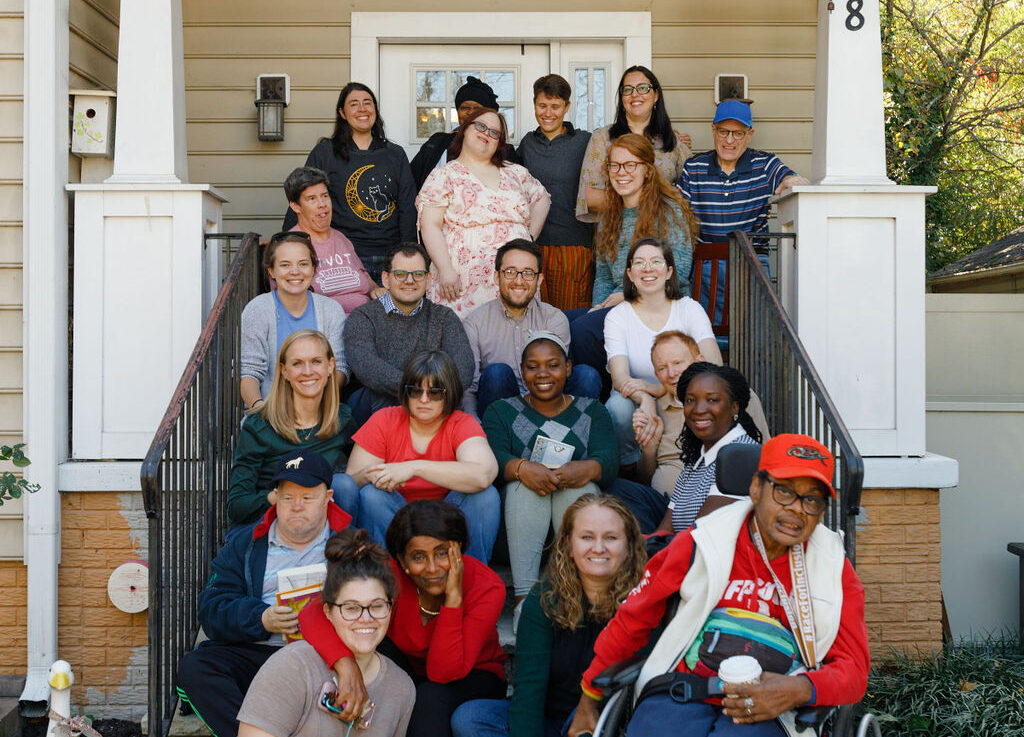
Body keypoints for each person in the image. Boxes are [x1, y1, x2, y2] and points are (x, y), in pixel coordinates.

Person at [569, 435, 870, 737]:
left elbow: (854, 669)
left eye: (812, 499)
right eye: (784, 491)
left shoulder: (832, 567)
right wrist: (588, 700)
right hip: (682, 692)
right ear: (756, 488)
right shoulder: (702, 540)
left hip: (772, 707)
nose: (797, 509)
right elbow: (632, 619)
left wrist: (800, 689)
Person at [177, 450, 352, 737]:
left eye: (307, 497)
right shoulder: (246, 543)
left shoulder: (351, 543)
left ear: (328, 497)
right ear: (275, 497)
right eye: (288, 497)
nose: (297, 506)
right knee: (196, 668)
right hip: (261, 653)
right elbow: (211, 608)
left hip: (326, 657)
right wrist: (261, 618)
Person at [298, 500, 508, 737]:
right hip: (406, 667)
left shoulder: (486, 586)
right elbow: (312, 612)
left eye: (442, 553)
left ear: (458, 548)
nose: (432, 568)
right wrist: (346, 666)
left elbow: (442, 673)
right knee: (367, 652)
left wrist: (454, 600)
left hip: (472, 675)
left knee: (431, 695)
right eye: (418, 557)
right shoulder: (390, 572)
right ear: (402, 559)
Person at [450, 494, 647, 737]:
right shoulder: (544, 599)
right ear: (569, 545)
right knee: (470, 718)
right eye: (587, 537)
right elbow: (529, 691)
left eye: (611, 538)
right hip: (551, 721)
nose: (598, 548)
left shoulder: (644, 600)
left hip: (611, 723)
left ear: (629, 547)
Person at [237, 528, 415, 737]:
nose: (366, 618)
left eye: (376, 606)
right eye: (351, 608)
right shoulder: (292, 667)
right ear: (328, 612)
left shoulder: (401, 688)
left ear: (390, 607)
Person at [481, 333, 619, 604]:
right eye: (533, 367)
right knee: (522, 487)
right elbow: (491, 458)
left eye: (553, 365)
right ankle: (524, 601)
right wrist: (521, 468)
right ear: (522, 371)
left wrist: (585, 469)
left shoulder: (592, 411)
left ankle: (580, 596)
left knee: (581, 488)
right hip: (516, 535)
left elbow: (610, 460)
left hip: (571, 534)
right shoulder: (500, 411)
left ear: (567, 368)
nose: (543, 374)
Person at [567, 135, 700, 389]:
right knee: (563, 323)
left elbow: (680, 270)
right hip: (618, 304)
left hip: (659, 302)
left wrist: (627, 295)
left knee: (583, 330)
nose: (621, 172)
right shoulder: (610, 215)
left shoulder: (668, 210)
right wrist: (599, 306)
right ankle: (585, 391)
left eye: (630, 165)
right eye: (614, 165)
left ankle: (606, 392)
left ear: (647, 170)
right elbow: (604, 275)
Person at [345, 350, 500, 563]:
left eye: (435, 393)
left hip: (448, 518)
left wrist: (414, 468)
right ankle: (387, 578)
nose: (424, 400)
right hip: (397, 516)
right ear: (405, 392)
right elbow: (350, 484)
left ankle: (470, 576)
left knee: (485, 496)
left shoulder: (462, 423)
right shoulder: (384, 420)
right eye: (415, 391)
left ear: (449, 393)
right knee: (371, 495)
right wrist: (370, 475)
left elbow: (483, 474)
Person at [417, 107, 551, 316]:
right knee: (464, 334)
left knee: (516, 332)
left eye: (494, 132)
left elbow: (542, 198)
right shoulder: (444, 175)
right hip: (461, 282)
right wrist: (445, 269)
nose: (486, 133)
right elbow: (430, 225)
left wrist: (529, 238)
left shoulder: (515, 172)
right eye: (480, 126)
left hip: (516, 279)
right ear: (464, 129)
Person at [604, 239, 722, 470]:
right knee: (618, 406)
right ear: (630, 273)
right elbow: (619, 378)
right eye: (639, 263)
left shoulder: (689, 308)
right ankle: (630, 472)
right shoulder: (617, 316)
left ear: (669, 271)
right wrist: (646, 398)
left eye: (656, 261)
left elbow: (714, 364)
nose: (647, 268)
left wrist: (658, 390)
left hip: (681, 396)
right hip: (635, 402)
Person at [282, 82, 416, 284]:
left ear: (375, 109)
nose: (362, 109)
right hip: (342, 256)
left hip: (390, 256)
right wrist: (286, 243)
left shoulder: (395, 154)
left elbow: (407, 206)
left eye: (367, 103)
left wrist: (408, 253)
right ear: (342, 113)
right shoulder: (325, 152)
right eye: (354, 104)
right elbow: (302, 198)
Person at [228, 330, 357, 527]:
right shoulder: (259, 425)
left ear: (330, 366)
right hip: (267, 523)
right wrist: (280, 497)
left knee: (344, 486)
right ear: (284, 371)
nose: (308, 371)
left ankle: (343, 545)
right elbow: (237, 507)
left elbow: (358, 474)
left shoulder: (342, 419)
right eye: (297, 363)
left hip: (319, 523)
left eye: (316, 361)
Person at [462, 239, 601, 418]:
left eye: (528, 273)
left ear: (539, 279)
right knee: (497, 374)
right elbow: (469, 388)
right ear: (497, 277)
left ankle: (571, 434)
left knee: (586, 376)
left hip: (551, 410)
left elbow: (559, 379)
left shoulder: (554, 318)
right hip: (501, 416)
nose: (519, 281)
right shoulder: (475, 323)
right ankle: (495, 436)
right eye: (510, 272)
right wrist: (474, 427)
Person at [342, 242, 475, 423]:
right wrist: (419, 390)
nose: (410, 281)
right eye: (400, 274)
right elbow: (366, 368)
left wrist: (427, 395)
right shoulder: (363, 317)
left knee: (453, 403)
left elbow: (464, 370)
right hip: (378, 405)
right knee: (381, 397)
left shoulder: (444, 317)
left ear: (428, 280)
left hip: (432, 405)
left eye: (418, 274)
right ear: (386, 279)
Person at [634, 332, 772, 496]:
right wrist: (649, 449)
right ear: (656, 375)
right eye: (662, 368)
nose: (671, 373)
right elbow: (644, 480)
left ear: (699, 361)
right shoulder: (655, 410)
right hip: (664, 502)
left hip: (724, 498)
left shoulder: (736, 398)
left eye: (677, 363)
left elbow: (764, 456)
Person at [240, 231, 348, 410]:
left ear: (313, 268)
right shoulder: (257, 310)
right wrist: (260, 411)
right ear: (271, 271)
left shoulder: (331, 310)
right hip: (269, 411)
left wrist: (315, 407)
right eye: (285, 265)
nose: (295, 271)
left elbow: (340, 368)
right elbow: (249, 373)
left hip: (320, 411)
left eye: (303, 264)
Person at [653, 362, 762, 536]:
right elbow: (665, 531)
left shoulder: (741, 458)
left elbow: (699, 537)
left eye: (712, 400)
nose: (698, 409)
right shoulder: (696, 460)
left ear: (734, 407)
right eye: (690, 400)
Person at [677, 100, 807, 244]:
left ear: (749, 135)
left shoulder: (764, 164)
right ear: (714, 131)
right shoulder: (694, 167)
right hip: (706, 255)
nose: (729, 140)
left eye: (738, 133)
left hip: (752, 254)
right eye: (723, 132)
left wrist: (790, 180)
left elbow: (793, 180)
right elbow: (675, 213)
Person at [516, 74, 594, 310]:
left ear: (567, 107)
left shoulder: (585, 142)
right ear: (534, 105)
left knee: (568, 316)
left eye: (555, 106)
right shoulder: (527, 144)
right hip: (533, 244)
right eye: (542, 105)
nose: (548, 113)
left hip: (573, 246)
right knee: (533, 315)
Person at [575, 65, 690, 224]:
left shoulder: (673, 142)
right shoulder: (602, 138)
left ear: (656, 95)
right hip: (616, 231)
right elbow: (590, 198)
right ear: (622, 98)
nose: (635, 94)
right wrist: (648, 202)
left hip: (664, 231)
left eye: (643, 88)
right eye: (628, 89)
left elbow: (689, 194)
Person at [284, 166, 386, 313]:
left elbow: (365, 278)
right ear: (296, 206)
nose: (322, 204)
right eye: (312, 199)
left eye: (325, 196)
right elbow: (291, 304)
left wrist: (376, 290)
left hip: (365, 319)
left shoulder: (341, 238)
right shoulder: (290, 246)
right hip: (326, 323)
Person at [410, 76, 515, 189]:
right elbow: (410, 185)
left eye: (477, 109)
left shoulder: (504, 151)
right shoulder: (436, 144)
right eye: (465, 108)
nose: (470, 113)